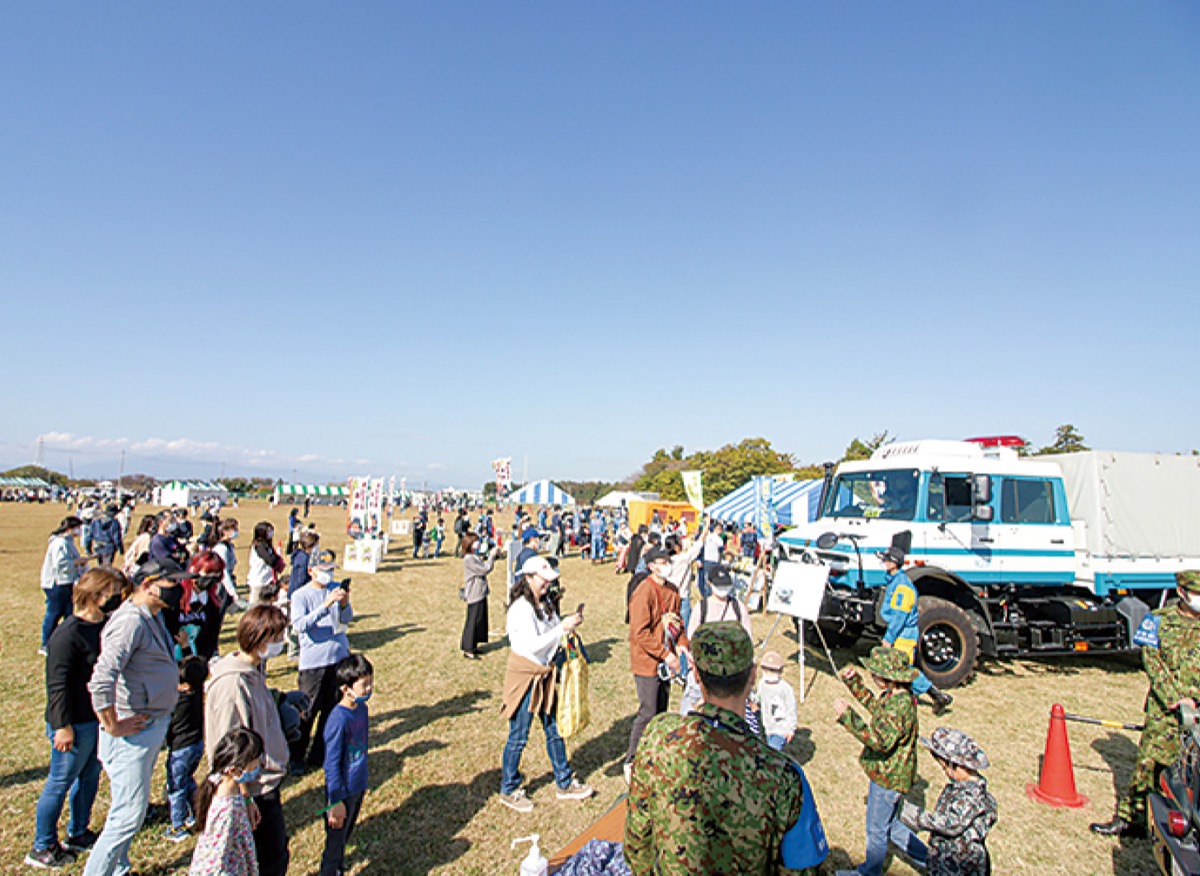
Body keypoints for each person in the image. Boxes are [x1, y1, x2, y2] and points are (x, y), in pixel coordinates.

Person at [625, 622, 807, 875]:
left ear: (696, 675)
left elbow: (637, 844)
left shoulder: (658, 737)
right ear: (753, 675)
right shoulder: (782, 776)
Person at [84, 559, 192, 876]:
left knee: (129, 806)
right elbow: (102, 679)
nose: (179, 589)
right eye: (173, 583)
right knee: (129, 814)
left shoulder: (153, 616)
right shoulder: (130, 621)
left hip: (149, 726)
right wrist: (113, 724)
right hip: (131, 732)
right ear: (148, 584)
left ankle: (119, 867)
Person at [27, 568, 126, 869]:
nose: (117, 599)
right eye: (112, 593)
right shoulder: (66, 635)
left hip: (97, 719)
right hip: (73, 723)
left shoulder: (107, 626)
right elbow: (56, 687)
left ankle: (78, 831)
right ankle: (42, 845)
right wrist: (62, 727)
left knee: (90, 777)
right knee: (60, 781)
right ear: (96, 596)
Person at [1091, 568, 1200, 837]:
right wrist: (1177, 699)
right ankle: (1132, 819)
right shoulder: (1159, 621)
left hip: (1197, 709)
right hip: (1166, 709)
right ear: (1182, 593)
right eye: (1197, 593)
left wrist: (1195, 699)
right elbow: (1152, 662)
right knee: (1149, 765)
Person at [498, 556, 593, 812]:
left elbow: (551, 639)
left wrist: (568, 627)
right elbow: (533, 644)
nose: (548, 585)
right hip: (525, 676)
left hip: (545, 674)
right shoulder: (521, 608)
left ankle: (564, 781)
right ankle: (509, 788)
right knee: (519, 736)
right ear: (528, 578)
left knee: (554, 730)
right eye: (544, 580)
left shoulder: (545, 604)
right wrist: (562, 627)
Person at [205, 605, 292, 876]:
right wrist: (245, 797)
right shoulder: (232, 684)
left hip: (265, 784)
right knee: (268, 860)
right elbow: (229, 748)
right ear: (260, 640)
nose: (282, 643)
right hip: (253, 790)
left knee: (276, 854)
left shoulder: (253, 671)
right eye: (277, 638)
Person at [833, 646, 927, 876]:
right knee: (892, 827)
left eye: (875, 674)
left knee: (876, 830)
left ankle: (870, 872)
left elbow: (880, 741)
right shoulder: (895, 697)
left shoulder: (899, 707)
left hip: (887, 779)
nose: (872, 677)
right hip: (893, 776)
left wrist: (848, 717)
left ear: (888, 679)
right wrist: (854, 684)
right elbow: (876, 709)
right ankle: (931, 860)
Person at [625, 546, 688, 782]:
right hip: (647, 661)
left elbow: (677, 623)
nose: (667, 565)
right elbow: (639, 633)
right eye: (661, 561)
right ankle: (632, 760)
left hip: (666, 661)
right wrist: (665, 654)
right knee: (648, 710)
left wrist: (682, 645)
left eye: (668, 560)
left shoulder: (673, 590)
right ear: (651, 566)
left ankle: (653, 754)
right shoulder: (644, 591)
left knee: (661, 710)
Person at [901, 727, 997, 876]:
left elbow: (949, 824)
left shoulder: (971, 797)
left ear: (959, 766)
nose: (945, 772)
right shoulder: (960, 787)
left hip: (958, 866)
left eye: (945, 767)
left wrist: (911, 814)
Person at [289, 556, 353, 773]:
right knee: (308, 711)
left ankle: (320, 753)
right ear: (311, 571)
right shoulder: (301, 595)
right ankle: (297, 756)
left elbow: (347, 619)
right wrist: (326, 606)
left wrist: (344, 604)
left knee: (331, 709)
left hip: (337, 658)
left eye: (331, 569)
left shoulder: (335, 589)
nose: (329, 574)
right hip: (313, 663)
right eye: (324, 570)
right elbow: (299, 625)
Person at [876, 546, 953, 713]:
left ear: (894, 563)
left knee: (902, 670)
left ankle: (937, 696)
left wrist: (889, 638)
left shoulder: (902, 586)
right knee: (899, 669)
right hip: (901, 632)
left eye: (887, 559)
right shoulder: (895, 581)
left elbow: (899, 616)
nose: (884, 562)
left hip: (903, 634)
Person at [320, 653, 374, 876]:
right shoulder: (338, 720)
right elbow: (331, 764)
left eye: (371, 682)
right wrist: (335, 801)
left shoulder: (362, 709)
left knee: (346, 833)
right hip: (341, 792)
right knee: (335, 843)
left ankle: (339, 866)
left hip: (357, 785)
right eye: (364, 685)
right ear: (346, 688)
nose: (369, 688)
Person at [188, 727, 263, 876]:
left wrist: (248, 800)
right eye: (255, 761)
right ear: (234, 770)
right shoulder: (226, 810)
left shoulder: (220, 783)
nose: (259, 764)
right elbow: (215, 862)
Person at [164, 656, 210, 842]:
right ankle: (197, 811)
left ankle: (178, 825)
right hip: (196, 745)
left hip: (180, 750)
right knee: (188, 780)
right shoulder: (197, 693)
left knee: (176, 787)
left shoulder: (178, 703)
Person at [40, 516, 89, 655]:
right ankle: (46, 643)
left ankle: (70, 640)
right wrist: (77, 562)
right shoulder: (59, 543)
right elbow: (60, 564)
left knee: (69, 613)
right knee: (54, 613)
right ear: (69, 528)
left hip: (66, 581)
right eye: (77, 527)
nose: (79, 530)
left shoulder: (68, 542)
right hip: (56, 583)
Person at [461, 533, 500, 659]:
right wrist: (492, 557)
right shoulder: (469, 559)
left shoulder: (474, 556)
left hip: (480, 592)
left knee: (479, 621)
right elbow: (484, 569)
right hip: (475, 593)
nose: (478, 544)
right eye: (475, 542)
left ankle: (474, 645)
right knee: (473, 621)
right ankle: (468, 648)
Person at [757, 650, 798, 752]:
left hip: (780, 729)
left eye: (772, 670)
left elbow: (791, 709)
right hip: (767, 726)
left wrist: (790, 729)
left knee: (772, 752)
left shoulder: (785, 689)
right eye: (766, 669)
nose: (769, 673)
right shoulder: (762, 684)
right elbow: (759, 698)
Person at [212, 518, 247, 613]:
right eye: (234, 529)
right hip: (220, 584)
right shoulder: (221, 548)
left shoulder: (229, 546)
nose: (236, 531)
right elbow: (224, 571)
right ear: (225, 531)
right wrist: (232, 591)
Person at [247, 521, 285, 606]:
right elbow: (271, 560)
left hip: (268, 580)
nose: (271, 533)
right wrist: (277, 558)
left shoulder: (267, 546)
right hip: (258, 581)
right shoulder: (259, 546)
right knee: (255, 606)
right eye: (269, 531)